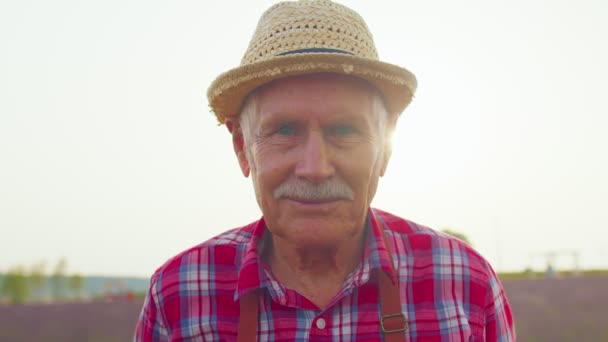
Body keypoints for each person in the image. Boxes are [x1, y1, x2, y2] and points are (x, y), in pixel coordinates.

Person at [135, 1, 515, 341]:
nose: (315, 168)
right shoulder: (177, 296)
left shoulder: (467, 284)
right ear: (241, 146)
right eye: (284, 130)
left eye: (344, 130)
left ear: (384, 147)